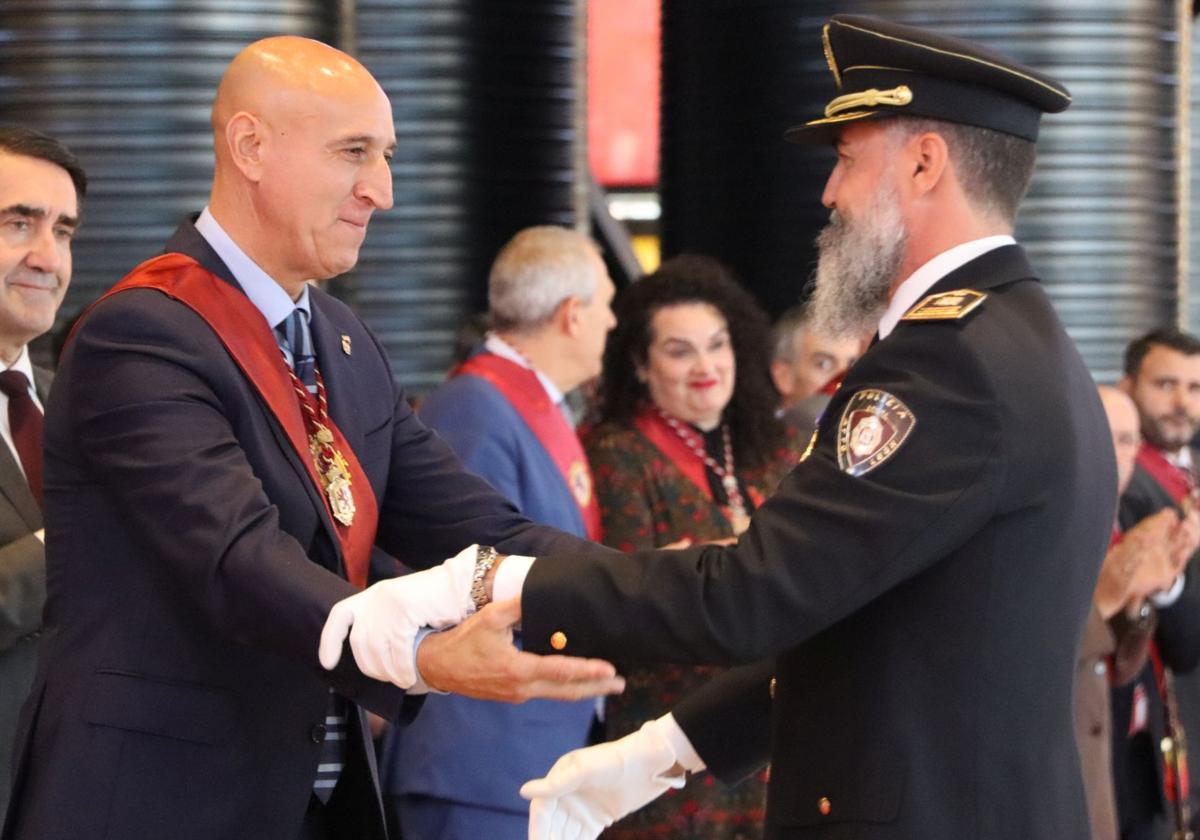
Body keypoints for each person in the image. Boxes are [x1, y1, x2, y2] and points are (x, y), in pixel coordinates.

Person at [325, 13, 1116, 839]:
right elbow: (868, 620)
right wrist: (673, 746)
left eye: (847, 159)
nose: (829, 194)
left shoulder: (951, 365)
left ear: (924, 162)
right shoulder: (1020, 344)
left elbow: (755, 592)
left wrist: (488, 583)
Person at [0, 38, 624, 840]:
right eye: (354, 152)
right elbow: (241, 563)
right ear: (251, 147)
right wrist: (423, 658)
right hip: (161, 802)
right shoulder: (143, 331)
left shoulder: (343, 342)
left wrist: (673, 594)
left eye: (387, 155)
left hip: (316, 801)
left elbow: (483, 529)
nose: (383, 190)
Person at [378, 225, 616, 840]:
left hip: (522, 757)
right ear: (572, 315)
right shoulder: (475, 407)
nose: (613, 323)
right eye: (608, 304)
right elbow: (458, 578)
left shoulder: (524, 404)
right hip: (477, 762)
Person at [581, 253, 804, 839]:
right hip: (666, 750)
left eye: (717, 345)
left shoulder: (774, 447)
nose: (705, 366)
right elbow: (628, 595)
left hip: (768, 746)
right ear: (641, 364)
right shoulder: (615, 453)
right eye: (680, 351)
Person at [0, 126, 82, 820]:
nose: (46, 256)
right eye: (18, 223)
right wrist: (74, 543)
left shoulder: (84, 410)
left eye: (63, 231)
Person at [1076, 386, 1198, 840]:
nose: (1116, 454)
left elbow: (1177, 651)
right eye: (1104, 436)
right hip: (1074, 755)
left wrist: (1159, 588)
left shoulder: (1138, 513)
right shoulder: (1041, 523)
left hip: (1137, 756)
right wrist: (1109, 594)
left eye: (1127, 440)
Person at [1115, 329, 1200, 839]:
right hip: (1153, 716)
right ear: (1129, 387)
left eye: (1194, 388)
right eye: (1165, 384)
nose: (1181, 402)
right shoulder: (1127, 483)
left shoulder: (1190, 472)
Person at [769, 302, 861, 430]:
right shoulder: (750, 443)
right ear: (784, 376)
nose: (843, 378)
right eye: (824, 364)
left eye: (854, 364)